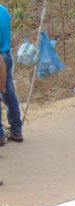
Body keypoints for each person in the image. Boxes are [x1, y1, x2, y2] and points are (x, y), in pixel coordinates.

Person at [0, 4, 23, 145]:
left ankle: (0, 135)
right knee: (9, 94)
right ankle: (16, 130)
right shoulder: (4, 10)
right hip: (7, 54)